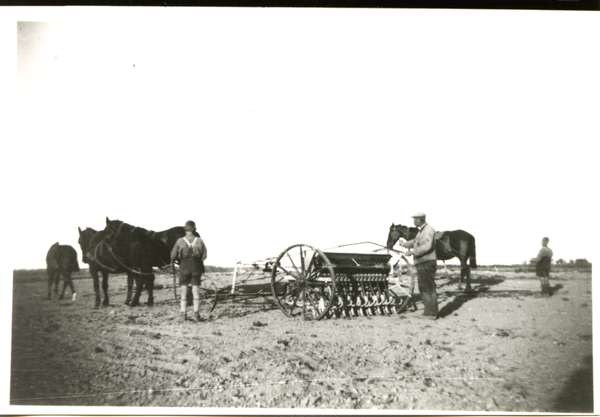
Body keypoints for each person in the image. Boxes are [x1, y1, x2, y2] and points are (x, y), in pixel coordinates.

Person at [398, 212, 438, 320]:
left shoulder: (428, 229)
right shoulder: (422, 231)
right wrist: (405, 244)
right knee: (423, 287)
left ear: (419, 220)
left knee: (428, 287)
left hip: (426, 262)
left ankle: (431, 313)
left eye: (414, 220)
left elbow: (427, 246)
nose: (413, 222)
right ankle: (428, 311)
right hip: (422, 262)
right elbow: (415, 241)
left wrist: (412, 252)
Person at [170, 220, 208, 322]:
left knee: (184, 291)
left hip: (184, 267)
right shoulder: (200, 241)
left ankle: (184, 314)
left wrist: (175, 259)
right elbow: (204, 256)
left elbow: (173, 255)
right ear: (194, 229)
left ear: (185, 229)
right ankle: (196, 314)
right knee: (196, 291)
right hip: (196, 267)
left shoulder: (180, 241)